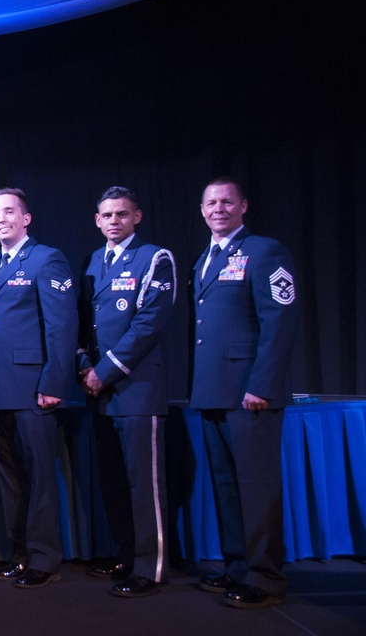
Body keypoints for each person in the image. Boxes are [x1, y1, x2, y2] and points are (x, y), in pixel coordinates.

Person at [190, 176, 298, 609]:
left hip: (250, 394)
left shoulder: (264, 251)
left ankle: (266, 577)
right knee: (227, 487)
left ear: (243, 206)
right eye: (211, 202)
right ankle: (238, 565)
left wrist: (262, 386)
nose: (218, 208)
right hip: (215, 392)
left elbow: (280, 322)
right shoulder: (204, 258)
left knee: (257, 488)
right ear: (202, 210)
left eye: (226, 202)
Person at [76, 187, 176, 598]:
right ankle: (125, 553)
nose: (114, 221)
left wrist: (103, 372)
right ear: (97, 220)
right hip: (99, 393)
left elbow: (148, 325)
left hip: (137, 390)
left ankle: (150, 567)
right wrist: (85, 367)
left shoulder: (155, 258)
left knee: (143, 486)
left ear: (137, 216)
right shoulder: (93, 262)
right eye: (107, 215)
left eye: (122, 214)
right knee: (114, 481)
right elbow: (83, 325)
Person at [0, 187, 77, 589]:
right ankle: (20, 553)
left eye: (9, 211)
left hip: (34, 389)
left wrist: (54, 382)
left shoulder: (46, 259)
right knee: (10, 479)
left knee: (38, 476)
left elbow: (61, 326)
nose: (1, 218)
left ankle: (44, 558)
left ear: (26, 218)